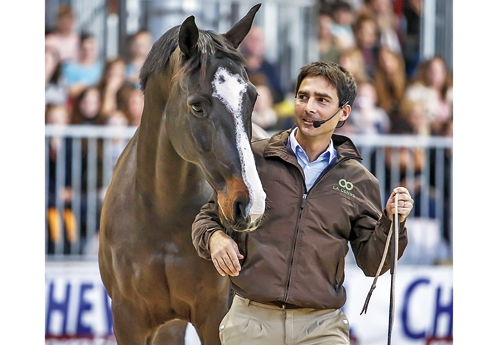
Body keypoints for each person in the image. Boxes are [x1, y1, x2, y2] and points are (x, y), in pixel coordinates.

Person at [192, 61, 413, 345]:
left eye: (322, 100)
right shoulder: (256, 159)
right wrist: (215, 238)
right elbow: (207, 217)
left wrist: (392, 222)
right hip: (251, 323)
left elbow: (373, 263)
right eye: (303, 96)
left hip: (322, 327)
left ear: (343, 112)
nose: (309, 107)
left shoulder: (361, 181)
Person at [404, 56, 453, 135]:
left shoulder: (450, 93)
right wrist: (430, 121)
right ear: (426, 72)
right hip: (425, 133)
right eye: (432, 70)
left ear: (444, 73)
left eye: (438, 71)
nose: (435, 74)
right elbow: (409, 112)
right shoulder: (416, 91)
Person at [239, 25, 285, 104]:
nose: (255, 43)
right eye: (251, 39)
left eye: (258, 40)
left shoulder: (270, 68)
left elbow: (280, 95)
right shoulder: (235, 67)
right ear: (243, 42)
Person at [62, 33, 103, 100]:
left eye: (91, 49)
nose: (88, 53)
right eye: (84, 49)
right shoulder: (68, 67)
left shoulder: (101, 69)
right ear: (79, 49)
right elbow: (67, 91)